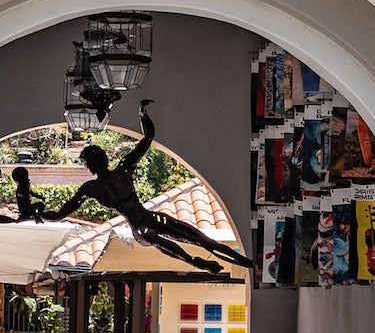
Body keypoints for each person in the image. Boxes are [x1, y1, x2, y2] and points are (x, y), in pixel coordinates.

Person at [49, 102, 252, 275]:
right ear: (89, 166)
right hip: (139, 229)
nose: (93, 165)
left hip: (152, 217)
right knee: (151, 234)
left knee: (205, 241)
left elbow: (147, 139)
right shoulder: (91, 188)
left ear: (102, 159)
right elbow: (60, 214)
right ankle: (196, 262)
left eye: (94, 160)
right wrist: (33, 214)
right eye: (90, 162)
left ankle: (247, 263)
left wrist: (142, 115)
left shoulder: (123, 170)